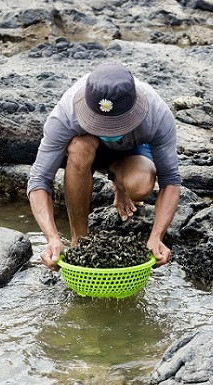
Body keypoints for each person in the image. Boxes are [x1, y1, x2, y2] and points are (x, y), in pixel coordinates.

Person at [27, 62, 181, 269]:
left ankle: (119, 182)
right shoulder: (66, 112)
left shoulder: (157, 113)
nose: (109, 130)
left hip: (131, 151)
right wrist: (52, 238)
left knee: (141, 185)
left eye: (117, 124)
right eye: (102, 124)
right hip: (89, 150)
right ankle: (79, 241)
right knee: (80, 148)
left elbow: (170, 180)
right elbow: (39, 179)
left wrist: (156, 236)